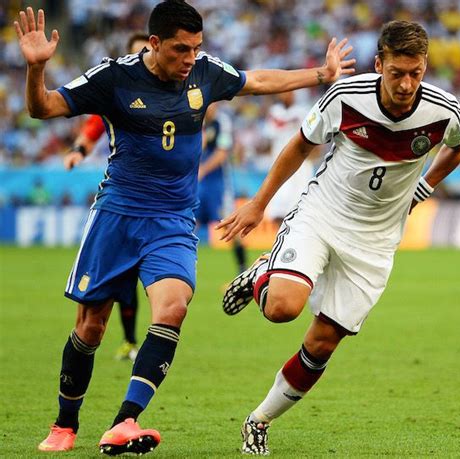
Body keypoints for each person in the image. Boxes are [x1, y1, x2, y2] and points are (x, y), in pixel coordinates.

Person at [14, 1, 355, 455]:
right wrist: (36, 71)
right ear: (154, 44)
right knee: (91, 328)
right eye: (181, 49)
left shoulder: (205, 72)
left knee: (173, 308)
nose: (190, 58)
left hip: (174, 220)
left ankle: (125, 421)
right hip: (117, 215)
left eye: (196, 48)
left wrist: (321, 74)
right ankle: (64, 424)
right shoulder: (113, 77)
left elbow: (256, 81)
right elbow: (43, 109)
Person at [218, 20, 460, 455]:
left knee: (321, 344)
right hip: (324, 214)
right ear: (379, 65)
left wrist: (425, 186)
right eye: (397, 73)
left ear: (425, 66)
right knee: (282, 308)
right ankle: (263, 275)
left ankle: (259, 420)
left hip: (375, 242)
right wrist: (259, 204)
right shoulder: (345, 97)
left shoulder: (444, 110)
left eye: (415, 72)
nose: (407, 84)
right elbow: (298, 147)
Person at [65, 32, 150, 362]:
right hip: (121, 201)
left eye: (143, 53)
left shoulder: (172, 96)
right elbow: (95, 125)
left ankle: (130, 341)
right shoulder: (120, 95)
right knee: (98, 287)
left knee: (134, 279)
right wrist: (79, 149)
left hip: (157, 205)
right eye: (134, 54)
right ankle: (80, 345)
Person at [197, 102, 247, 274]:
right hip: (200, 183)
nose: (207, 107)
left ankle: (242, 270)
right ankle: (182, 270)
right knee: (189, 223)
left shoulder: (222, 122)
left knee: (229, 224)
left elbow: (222, 152)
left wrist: (202, 169)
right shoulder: (200, 122)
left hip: (218, 183)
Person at [263, 90, 317, 226]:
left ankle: (292, 240)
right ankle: (277, 241)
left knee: (298, 204)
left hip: (299, 164)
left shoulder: (302, 111)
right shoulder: (275, 111)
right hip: (278, 161)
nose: (287, 95)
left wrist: (312, 156)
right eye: (284, 93)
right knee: (278, 204)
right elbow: (269, 137)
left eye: (290, 93)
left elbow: (314, 137)